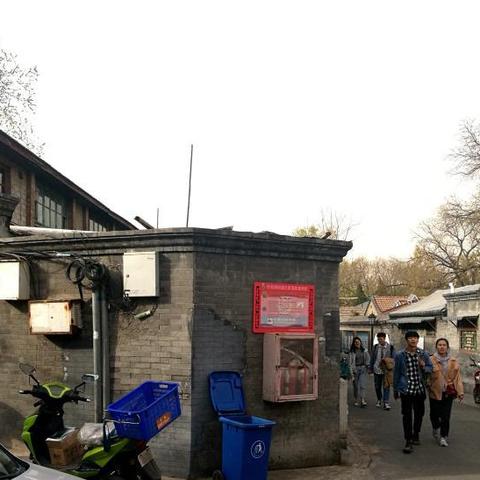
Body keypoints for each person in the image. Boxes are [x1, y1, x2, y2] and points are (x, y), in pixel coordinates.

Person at [393, 330, 433, 454]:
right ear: (407, 340)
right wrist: (395, 389)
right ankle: (408, 440)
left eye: (415, 337)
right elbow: (396, 373)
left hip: (419, 389)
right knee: (407, 415)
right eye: (410, 338)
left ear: (417, 339)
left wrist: (423, 366)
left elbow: (430, 368)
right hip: (406, 389)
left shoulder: (423, 354)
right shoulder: (400, 355)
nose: (413, 340)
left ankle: (416, 433)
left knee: (419, 414)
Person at [428, 338, 464, 447]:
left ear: (447, 347)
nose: (442, 347)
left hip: (448, 392)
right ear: (436, 347)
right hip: (435, 391)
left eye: (444, 345)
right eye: (440, 345)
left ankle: (444, 437)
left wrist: (460, 392)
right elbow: (426, 375)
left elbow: (457, 378)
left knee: (446, 416)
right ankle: (435, 427)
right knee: (434, 414)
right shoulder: (430, 359)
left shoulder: (453, 361)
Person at [369, 332, 395, 410]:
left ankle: (386, 402)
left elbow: (394, 359)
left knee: (386, 386)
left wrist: (386, 360)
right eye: (378, 339)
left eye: (381, 339)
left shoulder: (391, 347)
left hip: (386, 370)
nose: (379, 341)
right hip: (376, 369)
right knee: (377, 386)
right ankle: (379, 399)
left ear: (384, 338)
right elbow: (372, 358)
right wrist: (370, 368)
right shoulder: (375, 347)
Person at [349, 337, 370, 407]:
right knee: (356, 386)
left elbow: (368, 359)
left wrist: (367, 366)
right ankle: (356, 399)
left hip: (363, 369)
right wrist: (351, 372)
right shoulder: (352, 352)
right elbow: (350, 363)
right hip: (355, 369)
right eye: (356, 342)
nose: (357, 343)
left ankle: (362, 400)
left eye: (358, 341)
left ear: (360, 342)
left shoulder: (364, 350)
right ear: (354, 343)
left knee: (362, 385)